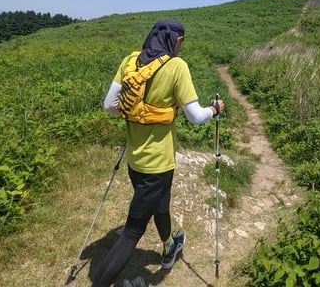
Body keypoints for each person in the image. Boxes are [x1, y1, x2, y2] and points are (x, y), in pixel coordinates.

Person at [94, 19, 224, 287]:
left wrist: (137, 115)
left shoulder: (130, 61)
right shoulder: (177, 67)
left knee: (160, 205)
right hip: (159, 165)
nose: (181, 47)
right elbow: (196, 116)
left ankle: (169, 247)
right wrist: (214, 109)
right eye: (182, 42)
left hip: (136, 160)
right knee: (132, 231)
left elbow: (109, 105)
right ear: (176, 40)